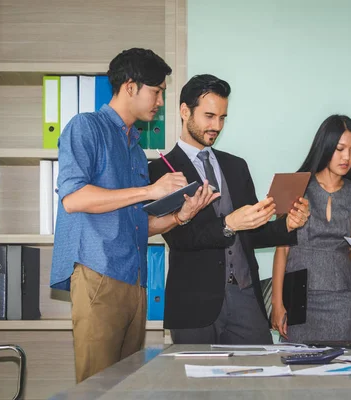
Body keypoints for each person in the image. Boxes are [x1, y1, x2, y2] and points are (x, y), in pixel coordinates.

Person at [50, 48, 217, 382]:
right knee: (97, 386)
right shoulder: (86, 127)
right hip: (99, 273)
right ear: (130, 86)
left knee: (126, 385)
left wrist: (182, 215)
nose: (160, 102)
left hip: (135, 280)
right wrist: (149, 191)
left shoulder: (135, 149)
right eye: (156, 92)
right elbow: (73, 198)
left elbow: (139, 224)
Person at [148, 74, 310, 345]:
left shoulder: (236, 166)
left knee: (258, 381)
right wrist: (228, 224)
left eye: (222, 118)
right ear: (184, 111)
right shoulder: (161, 171)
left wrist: (287, 225)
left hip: (246, 298)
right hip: (194, 303)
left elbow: (251, 234)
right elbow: (179, 238)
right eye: (209, 116)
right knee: (197, 386)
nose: (216, 126)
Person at [271, 115, 351, 342]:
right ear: (325, 146)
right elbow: (282, 249)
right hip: (297, 295)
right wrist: (277, 302)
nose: (347, 157)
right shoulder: (292, 185)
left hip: (342, 299)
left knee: (340, 369)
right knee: (295, 370)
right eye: (340, 148)